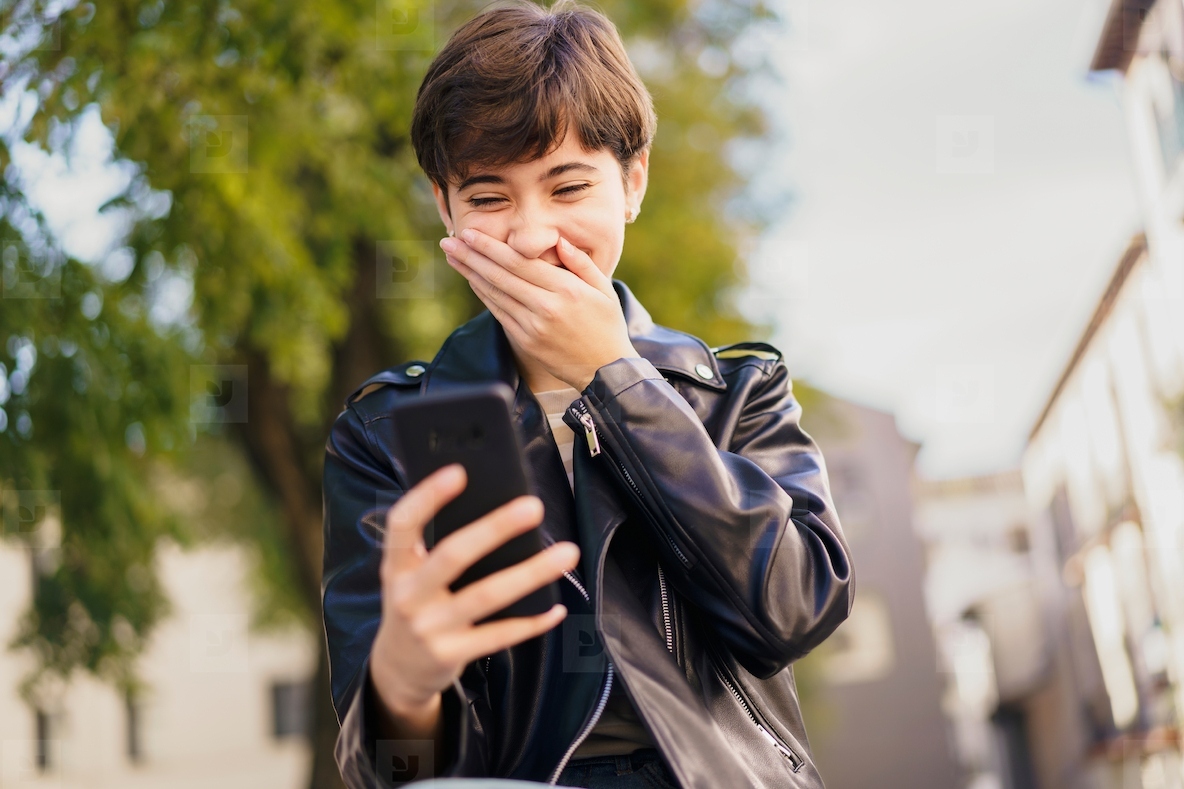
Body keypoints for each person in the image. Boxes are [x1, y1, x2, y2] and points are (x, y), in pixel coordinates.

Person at [320, 1, 854, 787]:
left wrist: (618, 380)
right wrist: (401, 686)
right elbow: (401, 772)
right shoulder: (384, 432)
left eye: (567, 187)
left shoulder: (738, 391)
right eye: (490, 198)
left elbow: (793, 609)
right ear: (445, 207)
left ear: (633, 182)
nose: (533, 236)